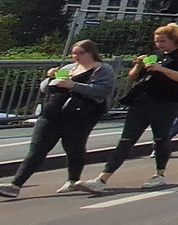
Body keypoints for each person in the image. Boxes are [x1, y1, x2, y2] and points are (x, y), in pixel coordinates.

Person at [81, 23, 178, 192]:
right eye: (157, 41)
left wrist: (161, 69)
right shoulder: (156, 55)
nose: (159, 44)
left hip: (166, 102)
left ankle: (160, 174)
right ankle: (103, 178)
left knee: (160, 138)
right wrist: (138, 66)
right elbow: (133, 78)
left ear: (174, 39)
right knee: (126, 140)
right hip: (141, 101)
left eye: (162, 41)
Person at [1, 40, 115, 198]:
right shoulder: (69, 68)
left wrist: (73, 85)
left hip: (79, 115)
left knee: (73, 147)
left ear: (91, 53)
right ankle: (16, 185)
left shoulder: (103, 69)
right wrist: (50, 79)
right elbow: (45, 89)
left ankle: (73, 180)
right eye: (73, 53)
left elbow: (103, 90)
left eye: (80, 53)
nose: (76, 56)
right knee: (37, 149)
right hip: (52, 112)